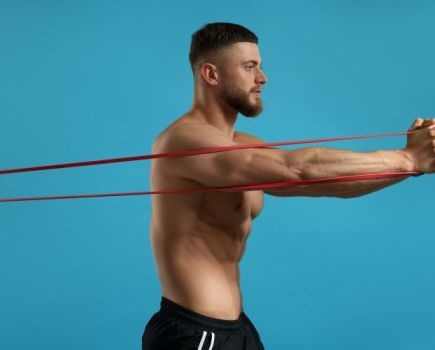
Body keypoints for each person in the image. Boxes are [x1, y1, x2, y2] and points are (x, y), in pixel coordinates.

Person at [142, 22, 435, 350]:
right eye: (249, 67)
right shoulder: (182, 140)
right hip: (196, 334)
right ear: (211, 74)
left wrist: (415, 165)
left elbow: (325, 183)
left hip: (237, 328)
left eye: (260, 66)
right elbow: (298, 169)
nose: (262, 78)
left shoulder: (243, 144)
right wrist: (408, 158)